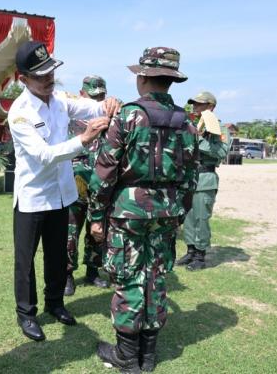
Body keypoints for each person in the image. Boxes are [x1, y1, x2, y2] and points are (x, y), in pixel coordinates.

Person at [89, 47, 198, 373]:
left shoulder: (127, 116)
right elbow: (191, 177)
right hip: (166, 214)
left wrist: (96, 216)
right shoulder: (186, 122)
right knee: (156, 277)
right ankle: (148, 357)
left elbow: (104, 173)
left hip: (128, 214)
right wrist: (179, 213)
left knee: (128, 280)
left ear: (143, 78)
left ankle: (126, 356)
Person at [8, 40, 119, 342]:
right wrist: (84, 138)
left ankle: (55, 303)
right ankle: (27, 313)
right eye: (40, 75)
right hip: (33, 197)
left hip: (61, 195)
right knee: (25, 261)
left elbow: (90, 105)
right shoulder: (19, 113)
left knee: (57, 255)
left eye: (50, 72)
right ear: (23, 79)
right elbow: (44, 155)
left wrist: (108, 104)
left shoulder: (58, 99)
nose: (48, 79)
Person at [64, 75, 110, 296]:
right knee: (70, 229)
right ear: (82, 94)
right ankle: (67, 274)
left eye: (101, 95)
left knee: (98, 227)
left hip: (100, 179)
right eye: (93, 96)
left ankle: (93, 270)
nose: (98, 99)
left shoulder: (109, 115)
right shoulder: (72, 112)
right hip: (76, 178)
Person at [177, 92, 231, 270]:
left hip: (205, 178)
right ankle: (191, 251)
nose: (195, 108)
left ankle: (200, 255)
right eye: (194, 104)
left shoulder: (220, 129)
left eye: (200, 105)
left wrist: (197, 140)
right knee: (189, 218)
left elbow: (221, 152)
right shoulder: (191, 126)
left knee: (201, 218)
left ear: (211, 107)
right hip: (189, 179)